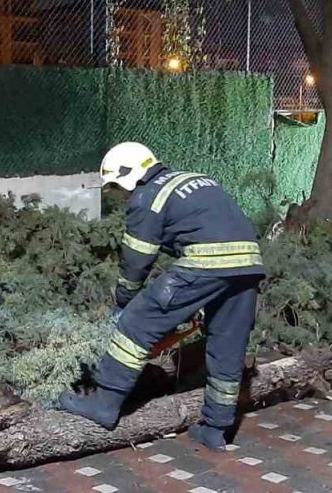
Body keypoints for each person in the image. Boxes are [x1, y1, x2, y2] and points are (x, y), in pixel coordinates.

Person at [59, 142, 264, 451]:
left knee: (135, 324)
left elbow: (137, 258)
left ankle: (104, 403)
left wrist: (125, 297)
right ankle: (215, 428)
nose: (120, 194)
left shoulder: (148, 196)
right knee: (227, 346)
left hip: (204, 263)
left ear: (128, 175)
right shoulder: (195, 179)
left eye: (116, 186)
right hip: (248, 265)